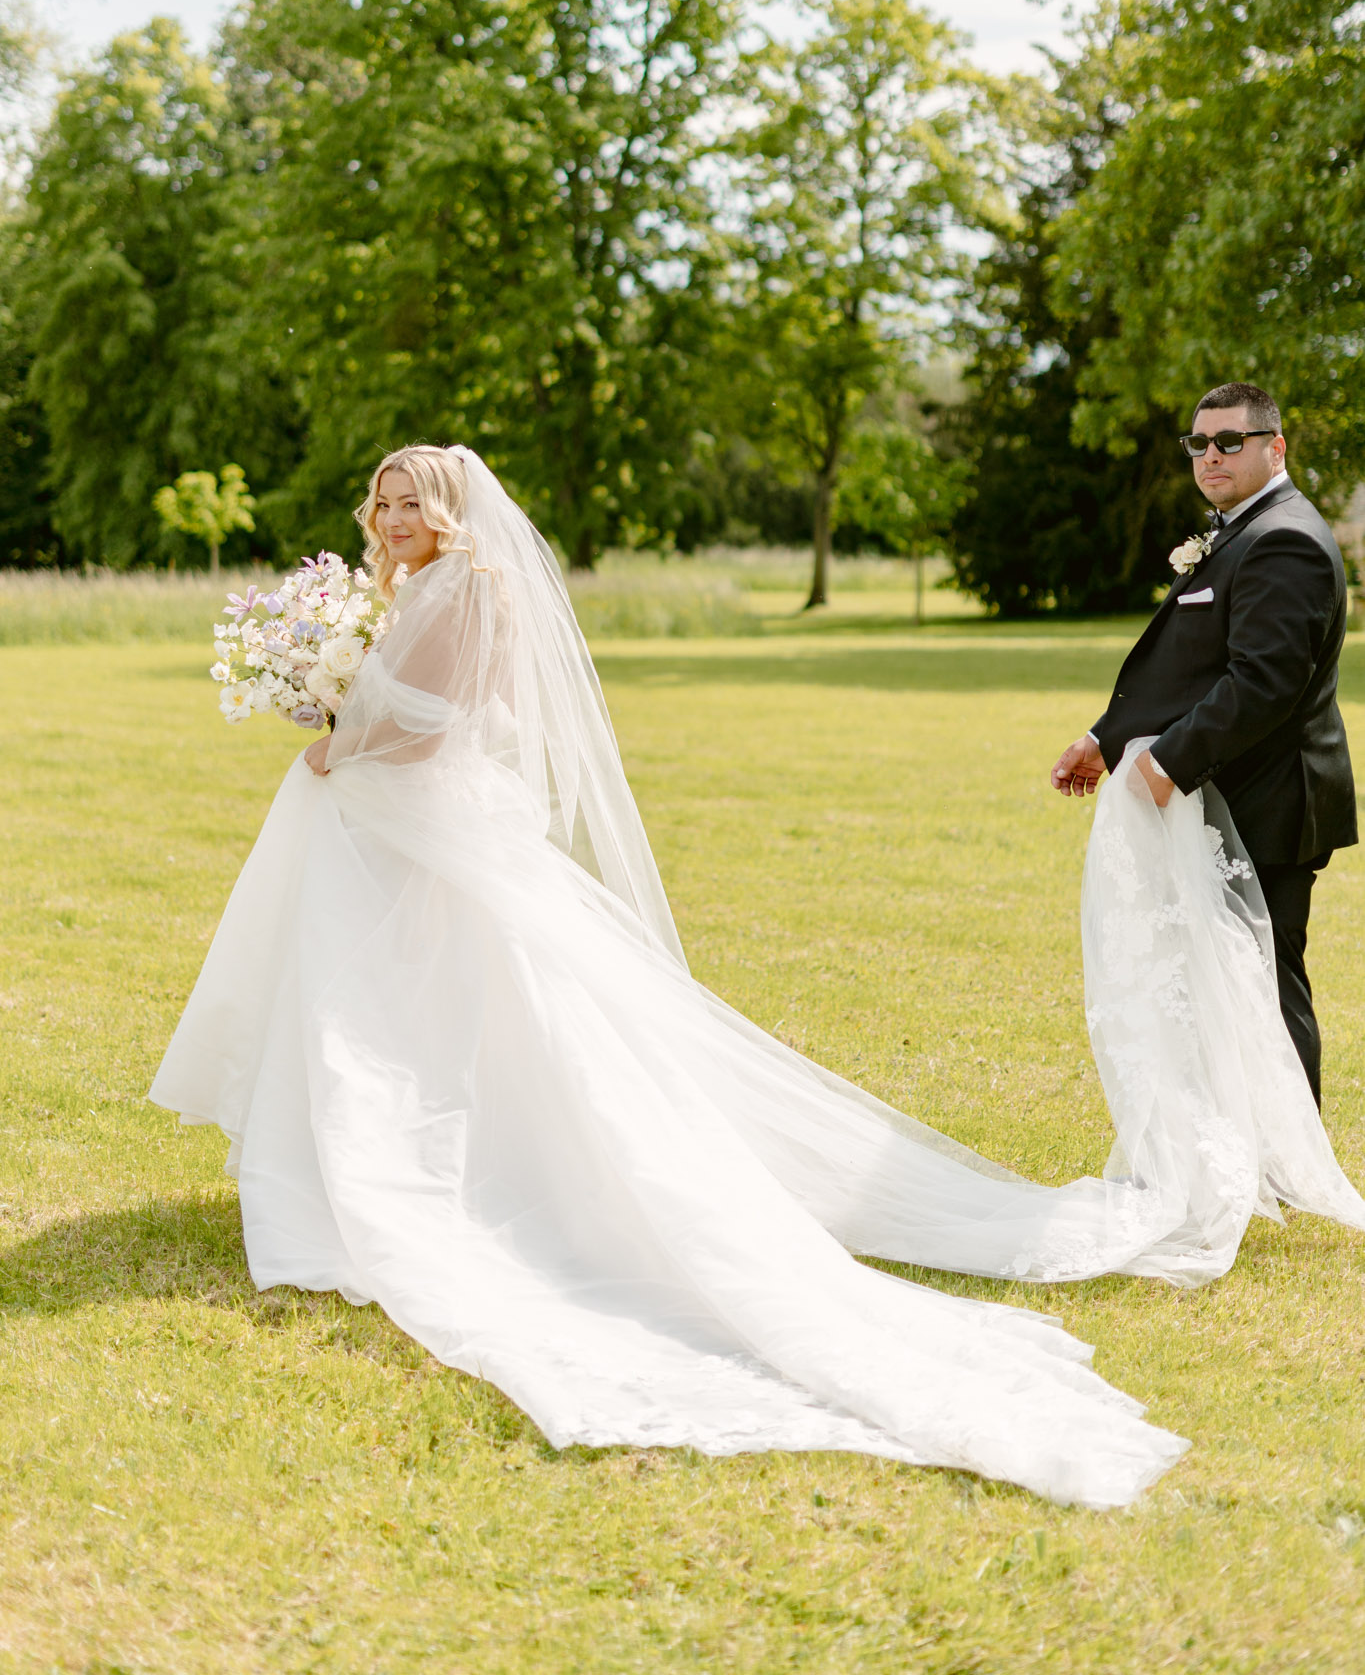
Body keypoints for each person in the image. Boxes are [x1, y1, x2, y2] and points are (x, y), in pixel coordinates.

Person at [148, 443, 1362, 1509]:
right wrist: (337, 694)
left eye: (412, 500)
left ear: (451, 510)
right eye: (384, 501)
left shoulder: (467, 583)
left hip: (423, 810)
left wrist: (338, 726)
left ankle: (444, 1170)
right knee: (421, 996)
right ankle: (388, 1151)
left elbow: (437, 714)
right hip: (418, 819)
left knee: (478, 998)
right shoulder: (419, 584)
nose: (395, 515)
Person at [1050, 382, 1357, 1107]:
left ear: (1273, 447)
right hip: (1231, 796)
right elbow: (1193, 666)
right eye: (1199, 442)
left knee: (1264, 979)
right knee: (1220, 978)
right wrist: (1107, 738)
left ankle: (1287, 1165)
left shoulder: (1281, 537)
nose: (1209, 455)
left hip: (1272, 801)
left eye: (1229, 441)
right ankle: (1241, 1143)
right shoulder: (1236, 529)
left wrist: (1165, 764)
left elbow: (1261, 684)